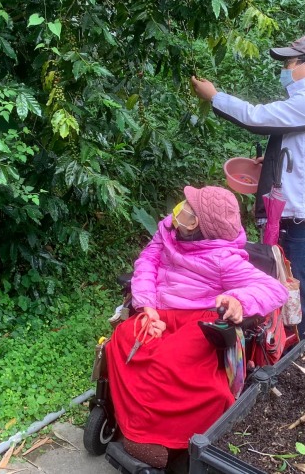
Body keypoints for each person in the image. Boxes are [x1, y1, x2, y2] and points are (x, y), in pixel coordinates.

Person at [105, 185, 288, 468]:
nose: (178, 216)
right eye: (182, 208)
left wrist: (239, 300)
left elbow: (274, 290)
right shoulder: (169, 231)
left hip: (198, 317)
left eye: (189, 215)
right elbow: (147, 262)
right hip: (161, 310)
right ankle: (136, 426)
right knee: (124, 338)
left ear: (204, 229)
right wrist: (147, 306)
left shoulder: (223, 258)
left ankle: (170, 437)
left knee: (170, 363)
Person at [190, 34, 305, 334]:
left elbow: (257, 117)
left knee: (304, 313)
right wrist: (273, 163)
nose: (285, 68)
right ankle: (294, 370)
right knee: (292, 305)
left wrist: (214, 96)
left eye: (290, 62)